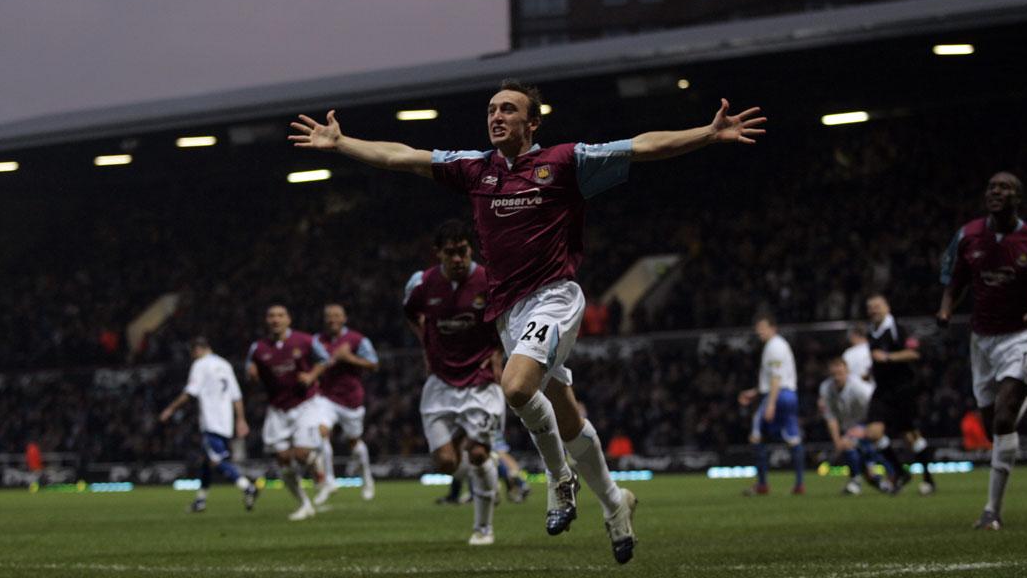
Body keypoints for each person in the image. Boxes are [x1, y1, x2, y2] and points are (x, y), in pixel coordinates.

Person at [291, 78, 765, 563]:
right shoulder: (475, 170)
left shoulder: (563, 162)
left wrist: (706, 134)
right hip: (510, 315)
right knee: (567, 415)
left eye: (508, 110)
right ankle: (615, 503)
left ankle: (559, 479)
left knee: (516, 387)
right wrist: (341, 142)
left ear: (532, 122)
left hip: (556, 298)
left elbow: (642, 147)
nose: (496, 116)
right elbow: (401, 156)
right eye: (492, 109)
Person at [938, 171, 1027, 530]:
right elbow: (955, 279)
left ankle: (991, 511)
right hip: (981, 341)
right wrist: (946, 308)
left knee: (1003, 419)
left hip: (1023, 336)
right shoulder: (967, 236)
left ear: (1019, 199)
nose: (996, 192)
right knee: (991, 427)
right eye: (992, 187)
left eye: (1005, 188)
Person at [403, 219, 507, 545]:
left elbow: (507, 319)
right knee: (446, 462)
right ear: (438, 254)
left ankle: (483, 527)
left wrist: (499, 356)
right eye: (451, 253)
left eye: (462, 251)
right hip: (440, 381)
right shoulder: (421, 284)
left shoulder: (488, 281)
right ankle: (488, 482)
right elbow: (411, 313)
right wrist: (425, 342)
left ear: (469, 249)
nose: (458, 259)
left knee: (477, 454)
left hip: (480, 379)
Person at [246, 304, 330, 521]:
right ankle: (305, 504)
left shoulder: (305, 340)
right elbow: (251, 373)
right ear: (267, 320)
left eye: (280, 315)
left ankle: (316, 464)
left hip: (305, 404)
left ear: (288, 319)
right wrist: (252, 376)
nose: (276, 319)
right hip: (278, 408)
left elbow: (324, 359)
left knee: (301, 453)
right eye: (271, 315)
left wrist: (312, 376)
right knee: (283, 460)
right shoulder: (258, 348)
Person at [159, 337, 258, 513]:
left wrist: (170, 409)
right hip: (225, 421)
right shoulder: (225, 364)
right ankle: (200, 501)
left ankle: (247, 486)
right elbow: (236, 395)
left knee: (216, 459)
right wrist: (240, 419)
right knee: (206, 462)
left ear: (196, 350)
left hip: (211, 420)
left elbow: (190, 392)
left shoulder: (200, 365)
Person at [864, 293, 936, 495]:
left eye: (877, 306)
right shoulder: (872, 331)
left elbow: (914, 353)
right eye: (870, 307)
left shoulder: (898, 328)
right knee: (873, 433)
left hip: (902, 389)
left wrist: (888, 357)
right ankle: (899, 471)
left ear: (887, 307)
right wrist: (870, 371)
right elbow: (877, 359)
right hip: (882, 390)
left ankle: (928, 479)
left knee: (910, 436)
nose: (873, 310)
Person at [307, 303, 379, 506]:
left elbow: (374, 364)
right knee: (321, 433)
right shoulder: (316, 341)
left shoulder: (357, 340)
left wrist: (349, 358)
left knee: (354, 443)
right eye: (329, 316)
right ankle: (329, 481)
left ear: (344, 318)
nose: (332, 320)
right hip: (325, 398)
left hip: (351, 399)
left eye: (337, 316)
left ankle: (367, 479)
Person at [738, 314, 805, 495]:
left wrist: (771, 404)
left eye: (763, 327)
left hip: (778, 395)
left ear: (773, 328)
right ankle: (799, 484)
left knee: (756, 436)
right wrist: (755, 392)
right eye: (758, 328)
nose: (759, 331)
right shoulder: (780, 345)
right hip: (789, 394)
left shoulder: (774, 347)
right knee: (793, 439)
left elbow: (776, 378)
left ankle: (762, 484)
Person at [818, 356, 890, 495]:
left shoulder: (860, 388)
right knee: (847, 445)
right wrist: (837, 441)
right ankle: (875, 480)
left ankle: (863, 479)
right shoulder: (826, 388)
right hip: (849, 426)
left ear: (847, 372)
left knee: (853, 445)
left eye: (840, 373)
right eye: (834, 374)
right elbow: (831, 417)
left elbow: (876, 407)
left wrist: (866, 430)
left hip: (868, 422)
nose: (837, 378)